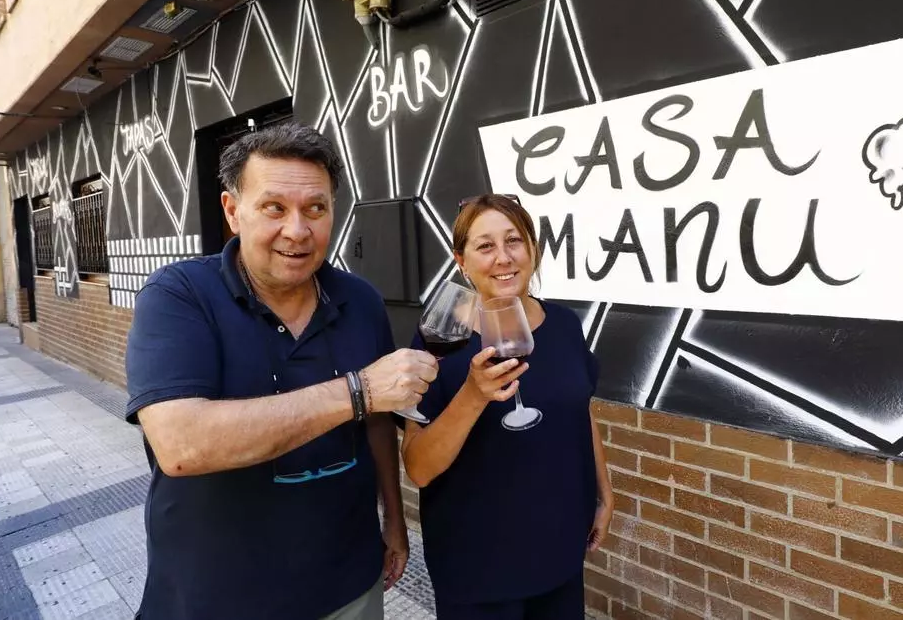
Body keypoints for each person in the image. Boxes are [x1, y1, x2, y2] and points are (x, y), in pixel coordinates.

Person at [124, 121, 438, 620]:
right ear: (233, 211)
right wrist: (357, 391)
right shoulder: (179, 295)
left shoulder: (360, 300)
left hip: (349, 584)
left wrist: (394, 521)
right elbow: (181, 446)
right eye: (274, 207)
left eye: (315, 209)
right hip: (217, 597)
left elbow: (378, 424)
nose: (297, 230)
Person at [400, 194, 614, 619]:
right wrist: (473, 395)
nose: (503, 257)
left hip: (559, 549)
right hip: (477, 566)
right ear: (461, 261)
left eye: (514, 240)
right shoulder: (440, 340)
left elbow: (580, 410)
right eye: (485, 246)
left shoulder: (565, 325)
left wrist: (604, 492)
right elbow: (419, 467)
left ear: (533, 248)